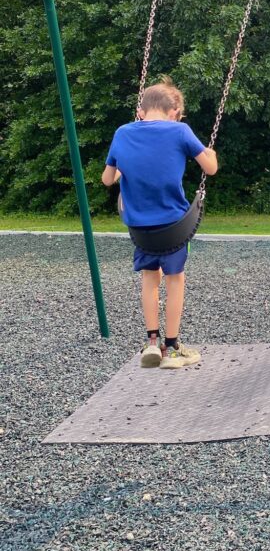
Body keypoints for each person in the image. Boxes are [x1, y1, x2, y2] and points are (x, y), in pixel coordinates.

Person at [101, 78, 218, 369]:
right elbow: (211, 169)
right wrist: (210, 154)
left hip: (140, 229)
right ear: (174, 111)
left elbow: (107, 179)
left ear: (140, 111)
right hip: (174, 226)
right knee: (175, 279)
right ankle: (172, 347)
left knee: (149, 279)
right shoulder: (180, 130)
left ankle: (151, 343)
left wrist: (123, 172)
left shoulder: (122, 132)